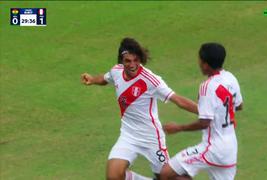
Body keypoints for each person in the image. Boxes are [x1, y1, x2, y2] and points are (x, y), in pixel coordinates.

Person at [81, 37, 198, 180]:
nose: (132, 65)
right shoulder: (116, 71)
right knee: (113, 176)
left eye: (136, 60)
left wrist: (206, 112)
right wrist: (92, 80)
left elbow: (178, 100)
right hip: (128, 135)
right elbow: (105, 79)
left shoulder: (151, 80)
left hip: (151, 137)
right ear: (121, 61)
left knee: (167, 177)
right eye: (128, 61)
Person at [160, 42, 243, 180]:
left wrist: (178, 128)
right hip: (230, 149)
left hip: (212, 148)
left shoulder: (207, 86)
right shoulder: (230, 78)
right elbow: (239, 106)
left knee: (166, 174)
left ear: (205, 64)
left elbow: (204, 123)